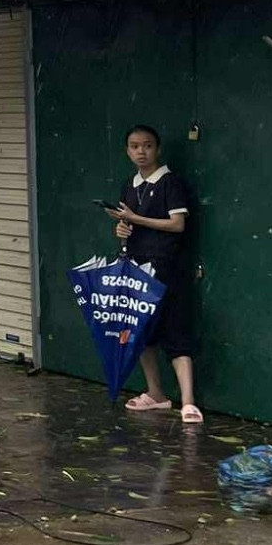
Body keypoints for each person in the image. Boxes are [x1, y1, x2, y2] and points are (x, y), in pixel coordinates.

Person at [107, 124, 200, 423]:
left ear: (157, 149)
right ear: (127, 151)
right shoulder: (129, 185)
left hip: (165, 266)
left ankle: (188, 402)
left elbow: (177, 224)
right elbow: (129, 227)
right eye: (134, 146)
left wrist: (137, 218)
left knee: (174, 331)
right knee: (142, 333)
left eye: (147, 146)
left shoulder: (170, 183)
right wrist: (122, 227)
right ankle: (155, 393)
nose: (141, 152)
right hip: (136, 265)